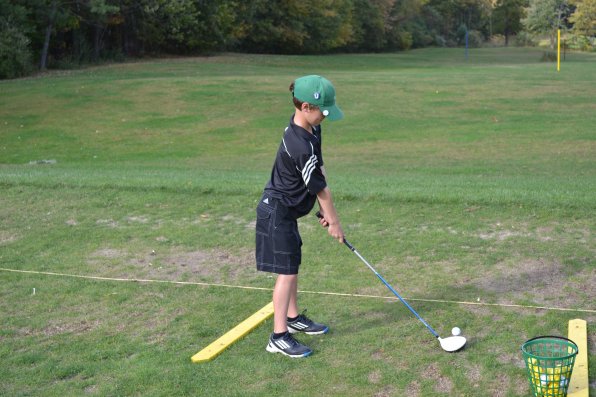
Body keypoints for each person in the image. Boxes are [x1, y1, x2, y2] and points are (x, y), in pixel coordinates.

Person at [255, 75, 345, 358]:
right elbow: (321, 190)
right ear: (306, 107)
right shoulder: (298, 144)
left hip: (287, 212)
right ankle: (278, 336)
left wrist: (324, 214)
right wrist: (335, 222)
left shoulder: (312, 130)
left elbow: (318, 172)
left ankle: (292, 319)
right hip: (276, 212)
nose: (325, 117)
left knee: (293, 263)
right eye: (323, 111)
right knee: (287, 272)